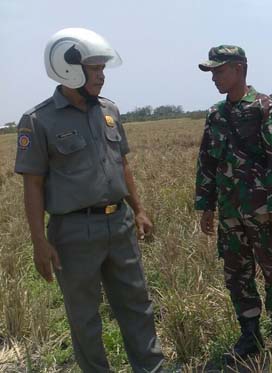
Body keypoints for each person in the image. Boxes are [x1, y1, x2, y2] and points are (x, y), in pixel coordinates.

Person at [14, 28, 164, 371]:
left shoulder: (109, 110)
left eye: (102, 68)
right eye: (95, 68)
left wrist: (138, 210)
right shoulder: (39, 121)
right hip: (73, 233)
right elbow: (32, 186)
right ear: (69, 68)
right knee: (85, 319)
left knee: (138, 305)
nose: (102, 76)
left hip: (120, 224)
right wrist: (39, 242)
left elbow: (122, 164)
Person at [195, 45, 272, 359]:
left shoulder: (264, 107)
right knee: (236, 273)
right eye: (212, 72)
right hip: (228, 209)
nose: (214, 78)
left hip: (261, 207)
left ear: (239, 69)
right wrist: (206, 204)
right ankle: (249, 334)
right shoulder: (215, 113)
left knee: (271, 270)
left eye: (219, 71)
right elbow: (207, 161)